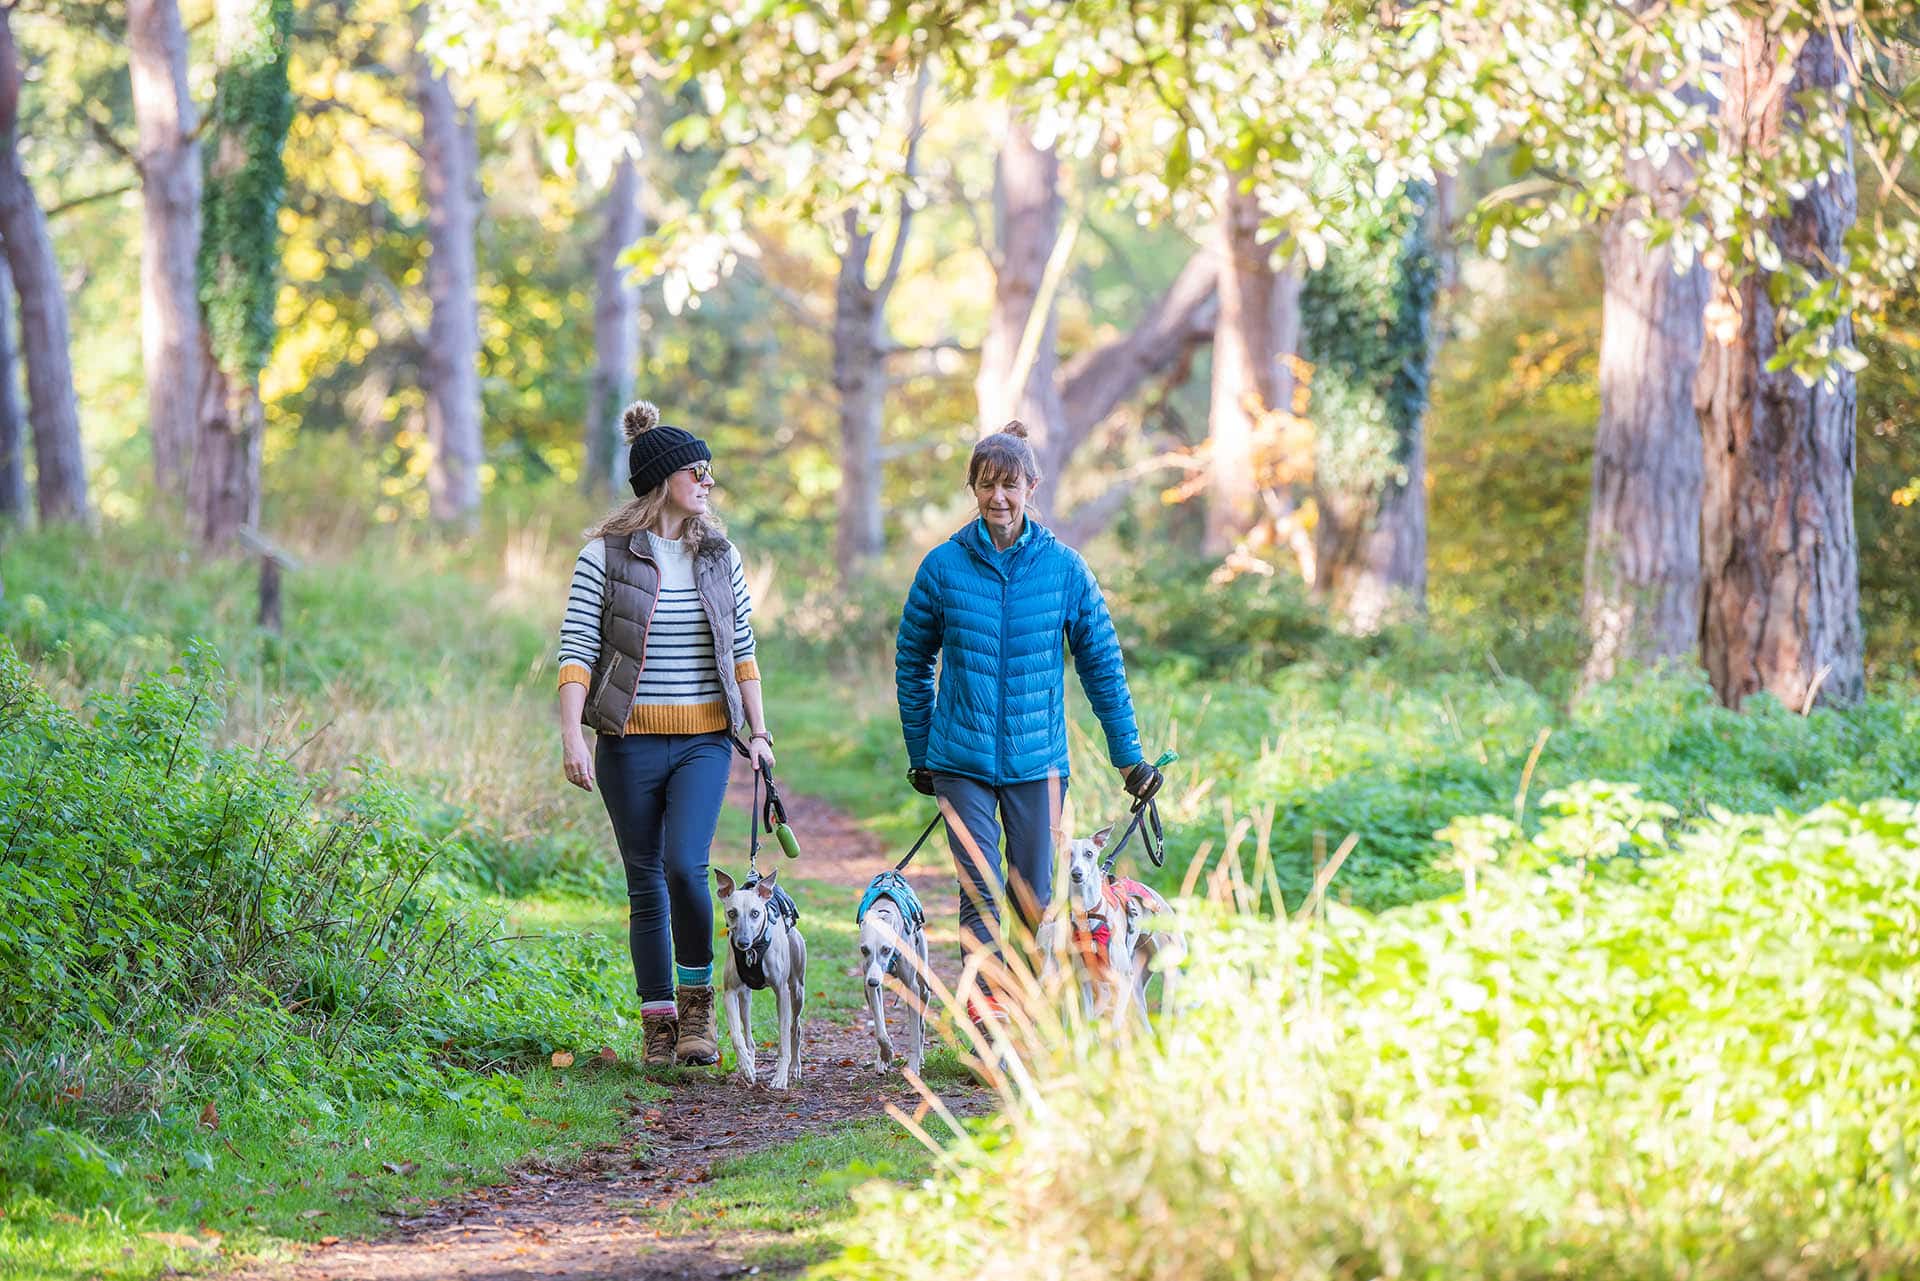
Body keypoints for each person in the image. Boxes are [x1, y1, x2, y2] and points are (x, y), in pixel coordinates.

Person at [894, 421, 1163, 1019]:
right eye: (987, 485)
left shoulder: (1065, 569)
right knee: (981, 893)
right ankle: (992, 1024)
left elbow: (1103, 666)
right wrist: (921, 751)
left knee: (1036, 899)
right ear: (972, 488)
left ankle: (1028, 1011)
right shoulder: (942, 567)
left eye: (1010, 485)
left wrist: (1130, 760)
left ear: (1031, 486)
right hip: (958, 761)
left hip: (1038, 762)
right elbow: (912, 660)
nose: (998, 498)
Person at [556, 401, 776, 1067]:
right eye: (696, 471)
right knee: (645, 879)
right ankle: (658, 1022)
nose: (707, 482)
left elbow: (742, 647)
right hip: (627, 739)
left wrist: (759, 730)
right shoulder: (604, 556)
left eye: (708, 472)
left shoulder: (720, 555)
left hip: (706, 736)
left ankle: (698, 1009)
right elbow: (576, 652)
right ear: (662, 481)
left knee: (686, 864)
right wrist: (572, 735)